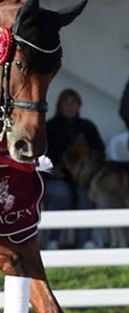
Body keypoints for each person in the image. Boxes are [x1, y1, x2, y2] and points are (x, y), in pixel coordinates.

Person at [43, 88, 105, 249]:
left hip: (84, 179)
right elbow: (43, 156)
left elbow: (100, 151)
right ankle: (53, 238)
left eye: (73, 102)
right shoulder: (50, 127)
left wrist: (84, 150)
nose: (70, 106)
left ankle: (85, 239)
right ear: (60, 105)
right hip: (57, 177)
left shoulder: (87, 126)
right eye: (66, 102)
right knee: (59, 193)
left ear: (79, 105)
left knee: (87, 195)